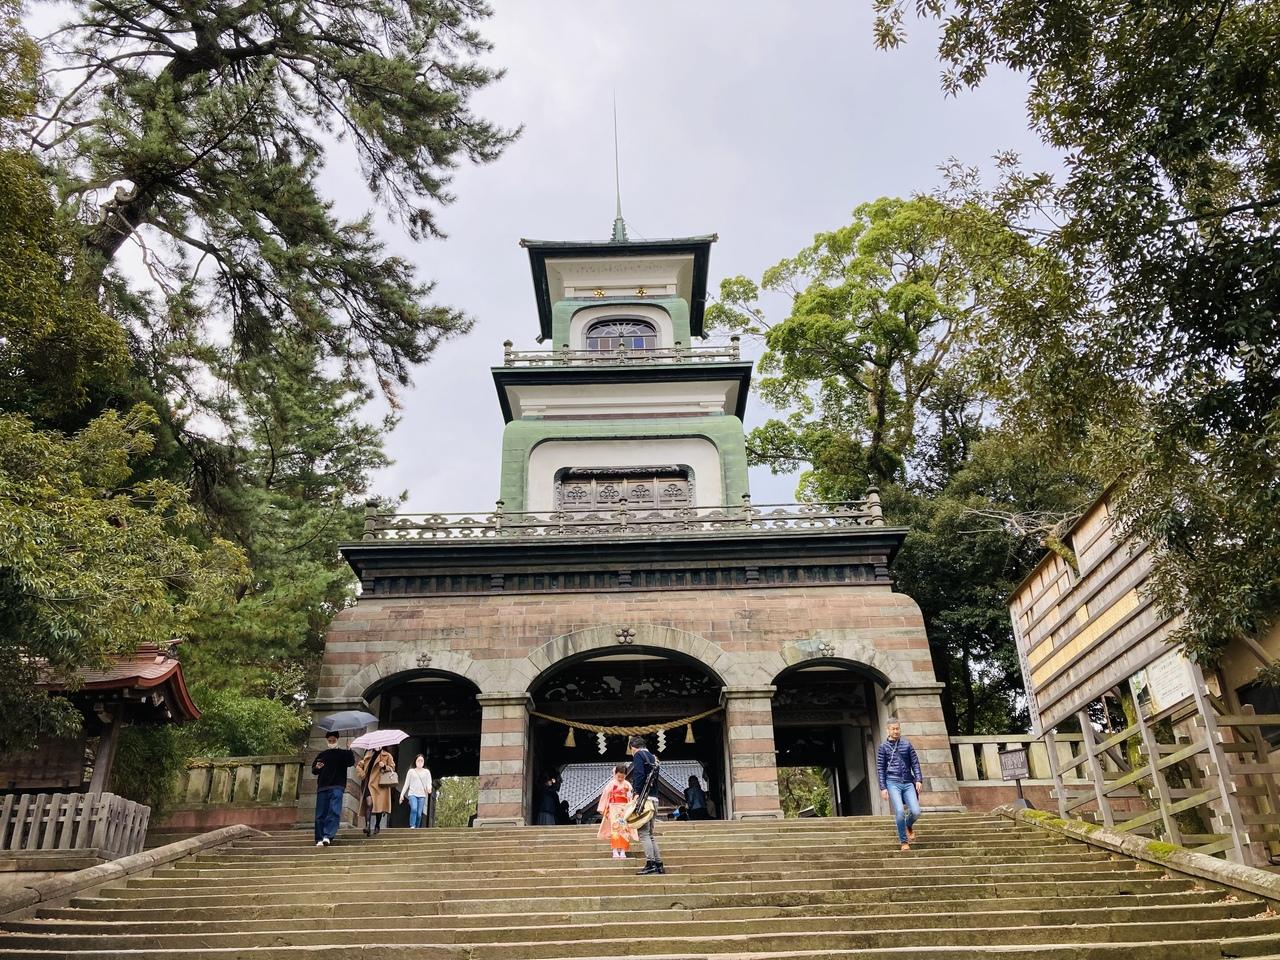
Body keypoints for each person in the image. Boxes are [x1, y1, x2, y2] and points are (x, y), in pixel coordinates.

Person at [876, 717, 924, 851]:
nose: (896, 731)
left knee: (916, 812)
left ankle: (908, 825)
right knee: (899, 811)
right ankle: (904, 841)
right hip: (892, 782)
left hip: (908, 782)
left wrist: (918, 779)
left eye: (898, 729)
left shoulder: (907, 745)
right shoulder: (883, 747)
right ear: (888, 730)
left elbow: (915, 763)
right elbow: (880, 768)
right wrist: (883, 787)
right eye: (893, 729)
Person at [627, 735, 664, 875]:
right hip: (654, 799)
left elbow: (639, 774)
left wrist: (636, 792)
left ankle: (651, 864)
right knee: (650, 834)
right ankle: (659, 864)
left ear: (633, 747)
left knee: (643, 833)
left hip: (645, 799)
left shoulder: (639, 755)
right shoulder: (653, 758)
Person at [310, 732, 354, 847]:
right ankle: (319, 838)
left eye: (333, 740)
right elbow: (314, 770)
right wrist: (317, 767)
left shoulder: (343, 753)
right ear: (326, 741)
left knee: (334, 811)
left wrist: (349, 749)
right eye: (329, 741)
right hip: (323, 786)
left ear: (337, 740)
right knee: (320, 813)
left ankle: (328, 836)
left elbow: (351, 762)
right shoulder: (322, 755)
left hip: (337, 785)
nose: (331, 742)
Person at [596, 765, 637, 858]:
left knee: (624, 829)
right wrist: (602, 808)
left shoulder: (627, 784)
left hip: (624, 809)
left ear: (625, 775)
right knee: (615, 829)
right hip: (613, 808)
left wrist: (632, 808)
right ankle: (615, 850)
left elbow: (630, 798)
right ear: (615, 774)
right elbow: (605, 795)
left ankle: (623, 850)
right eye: (619, 776)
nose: (620, 778)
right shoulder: (611, 784)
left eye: (622, 776)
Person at [355, 747, 396, 836]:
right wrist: (362, 774)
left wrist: (384, 766)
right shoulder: (368, 754)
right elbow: (359, 766)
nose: (378, 746)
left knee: (379, 807)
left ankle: (377, 825)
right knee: (369, 803)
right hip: (368, 783)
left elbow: (392, 768)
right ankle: (367, 826)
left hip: (380, 785)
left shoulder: (387, 755)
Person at [398, 754, 432, 828]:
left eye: (422, 760)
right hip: (412, 794)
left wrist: (429, 788)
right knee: (414, 809)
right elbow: (406, 784)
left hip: (422, 795)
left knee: (419, 814)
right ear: (415, 761)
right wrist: (402, 794)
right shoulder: (411, 771)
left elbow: (429, 782)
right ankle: (412, 825)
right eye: (418, 760)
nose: (420, 762)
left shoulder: (427, 772)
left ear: (424, 762)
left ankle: (417, 828)